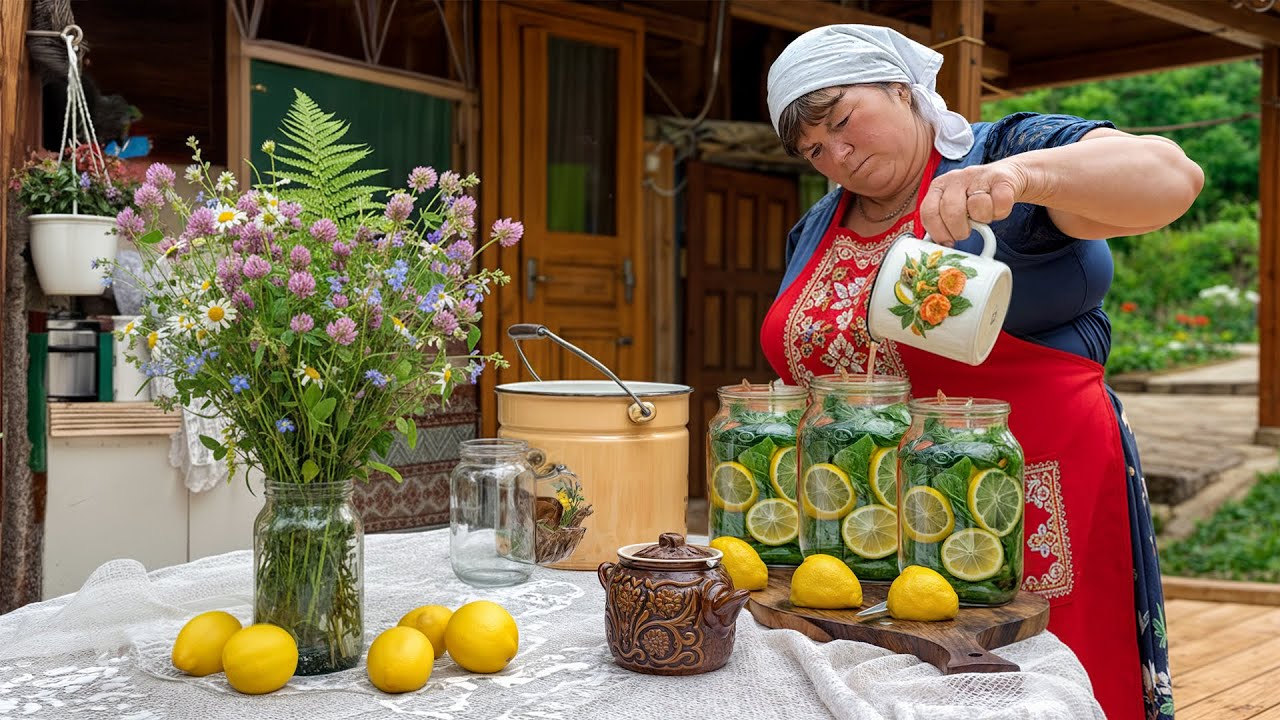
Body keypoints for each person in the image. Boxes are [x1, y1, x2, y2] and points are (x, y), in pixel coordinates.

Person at [763, 25, 1202, 720]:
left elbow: (1172, 178)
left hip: (1026, 493)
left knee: (1038, 682)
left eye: (844, 121)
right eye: (814, 148)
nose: (838, 154)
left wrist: (1024, 180)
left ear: (902, 89)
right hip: (873, 521)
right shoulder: (818, 224)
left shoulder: (1007, 152)